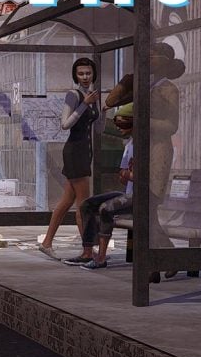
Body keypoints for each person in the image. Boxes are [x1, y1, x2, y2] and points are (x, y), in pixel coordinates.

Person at [38, 57, 101, 259]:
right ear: (75, 75)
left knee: (66, 201)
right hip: (75, 151)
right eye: (81, 73)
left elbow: (97, 126)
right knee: (84, 205)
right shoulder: (73, 95)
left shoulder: (91, 95)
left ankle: (47, 242)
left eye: (88, 73)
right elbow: (65, 124)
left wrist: (103, 108)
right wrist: (85, 105)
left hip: (84, 151)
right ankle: (87, 249)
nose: (85, 77)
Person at [62, 103, 135, 269]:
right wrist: (128, 175)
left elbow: (140, 177)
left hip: (140, 196)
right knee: (87, 204)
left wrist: (129, 175)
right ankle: (88, 251)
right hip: (128, 192)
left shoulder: (145, 145)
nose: (120, 129)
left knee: (105, 208)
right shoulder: (129, 145)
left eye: (124, 124)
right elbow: (123, 176)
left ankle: (101, 257)